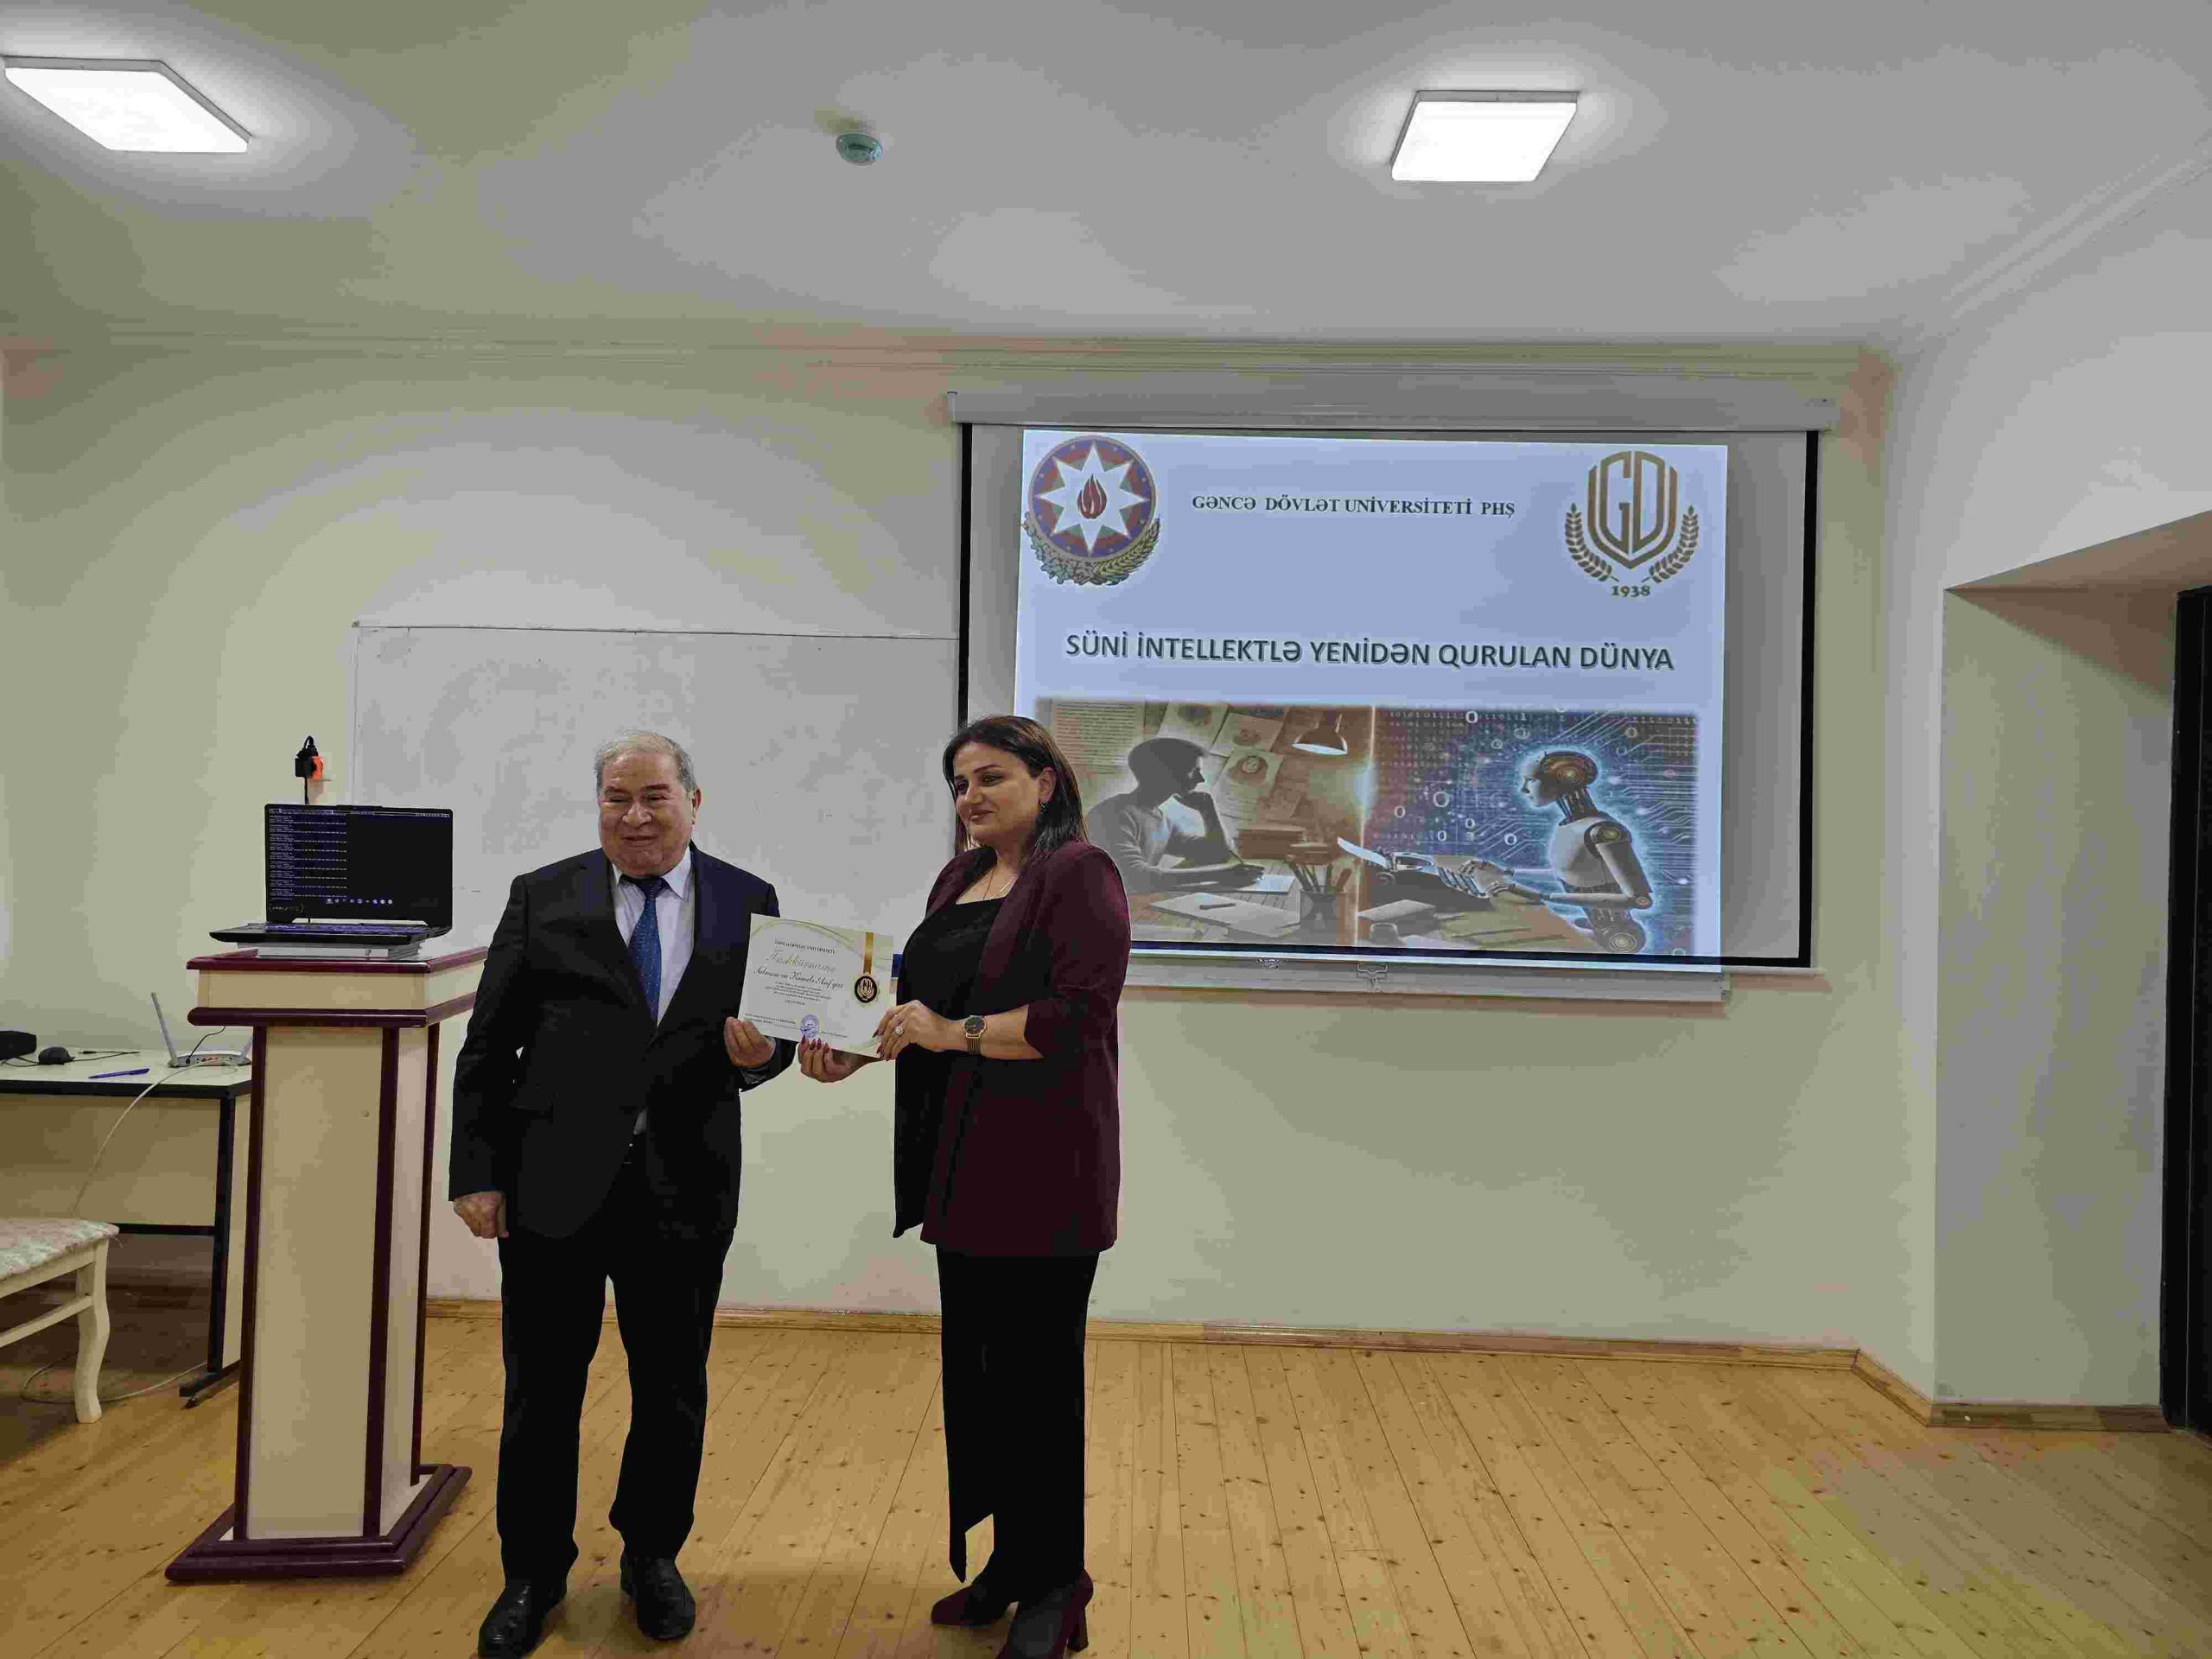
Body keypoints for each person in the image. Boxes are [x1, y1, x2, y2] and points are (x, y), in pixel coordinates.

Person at [449, 732, 793, 1657]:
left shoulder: (748, 900)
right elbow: (488, 1045)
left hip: (684, 1184)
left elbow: (772, 1041)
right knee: (540, 1389)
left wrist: (764, 1058)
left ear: (694, 801)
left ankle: (652, 1556)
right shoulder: (542, 895)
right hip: (550, 1185)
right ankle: (532, 1573)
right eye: (616, 798)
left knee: (672, 1386)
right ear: (598, 803)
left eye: (653, 797)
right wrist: (475, 1171)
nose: (634, 816)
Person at [795, 715, 1129, 1659]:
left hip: (1047, 1170)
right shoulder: (959, 878)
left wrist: (952, 1034)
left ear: (1045, 781)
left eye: (990, 778)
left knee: (1039, 1385)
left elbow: (1075, 1016)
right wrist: (855, 1051)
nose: (969, 797)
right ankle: (1013, 1561)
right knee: (983, 1381)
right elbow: (921, 1008)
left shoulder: (1080, 873)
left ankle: (1059, 1584)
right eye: (958, 783)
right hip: (959, 1162)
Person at [1084, 734, 1262, 894]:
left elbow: (1220, 853)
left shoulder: (1161, 820)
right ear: (1165, 772)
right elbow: (1134, 877)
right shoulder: (1114, 815)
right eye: (1194, 771)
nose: (1201, 779)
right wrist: (1219, 874)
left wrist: (1208, 810)